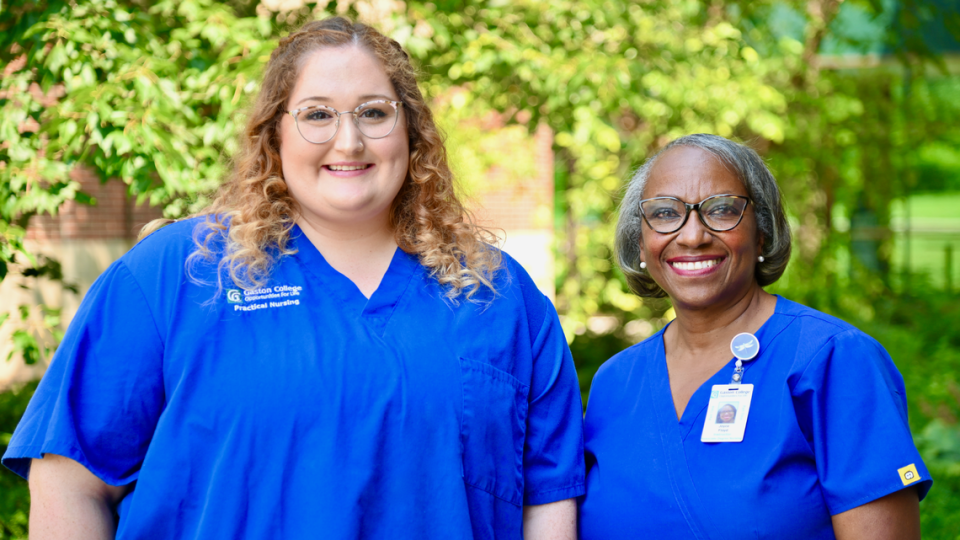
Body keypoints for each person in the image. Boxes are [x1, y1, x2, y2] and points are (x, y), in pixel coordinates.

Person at [2, 17, 584, 540]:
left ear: (411, 130)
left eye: (374, 112)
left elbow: (548, 499)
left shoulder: (498, 294)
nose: (348, 140)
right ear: (273, 133)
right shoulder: (175, 275)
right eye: (317, 114)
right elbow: (70, 482)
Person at [578, 134, 931, 540]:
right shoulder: (616, 381)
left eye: (723, 210)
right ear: (641, 241)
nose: (693, 236)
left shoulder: (834, 359)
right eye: (664, 213)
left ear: (761, 232)